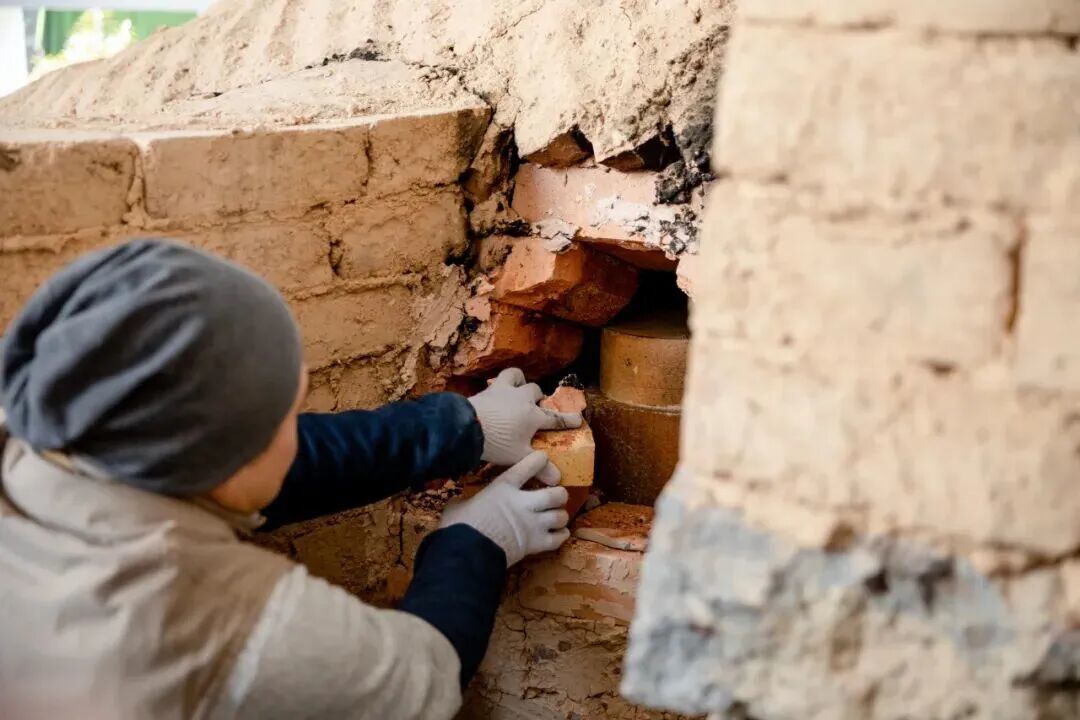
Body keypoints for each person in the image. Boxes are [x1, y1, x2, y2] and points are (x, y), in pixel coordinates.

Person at [0, 239, 582, 720]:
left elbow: (274, 462)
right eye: (288, 410)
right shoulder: (211, 614)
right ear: (231, 452)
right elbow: (422, 682)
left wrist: (460, 428)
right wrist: (474, 544)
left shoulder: (47, 423)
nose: (294, 426)